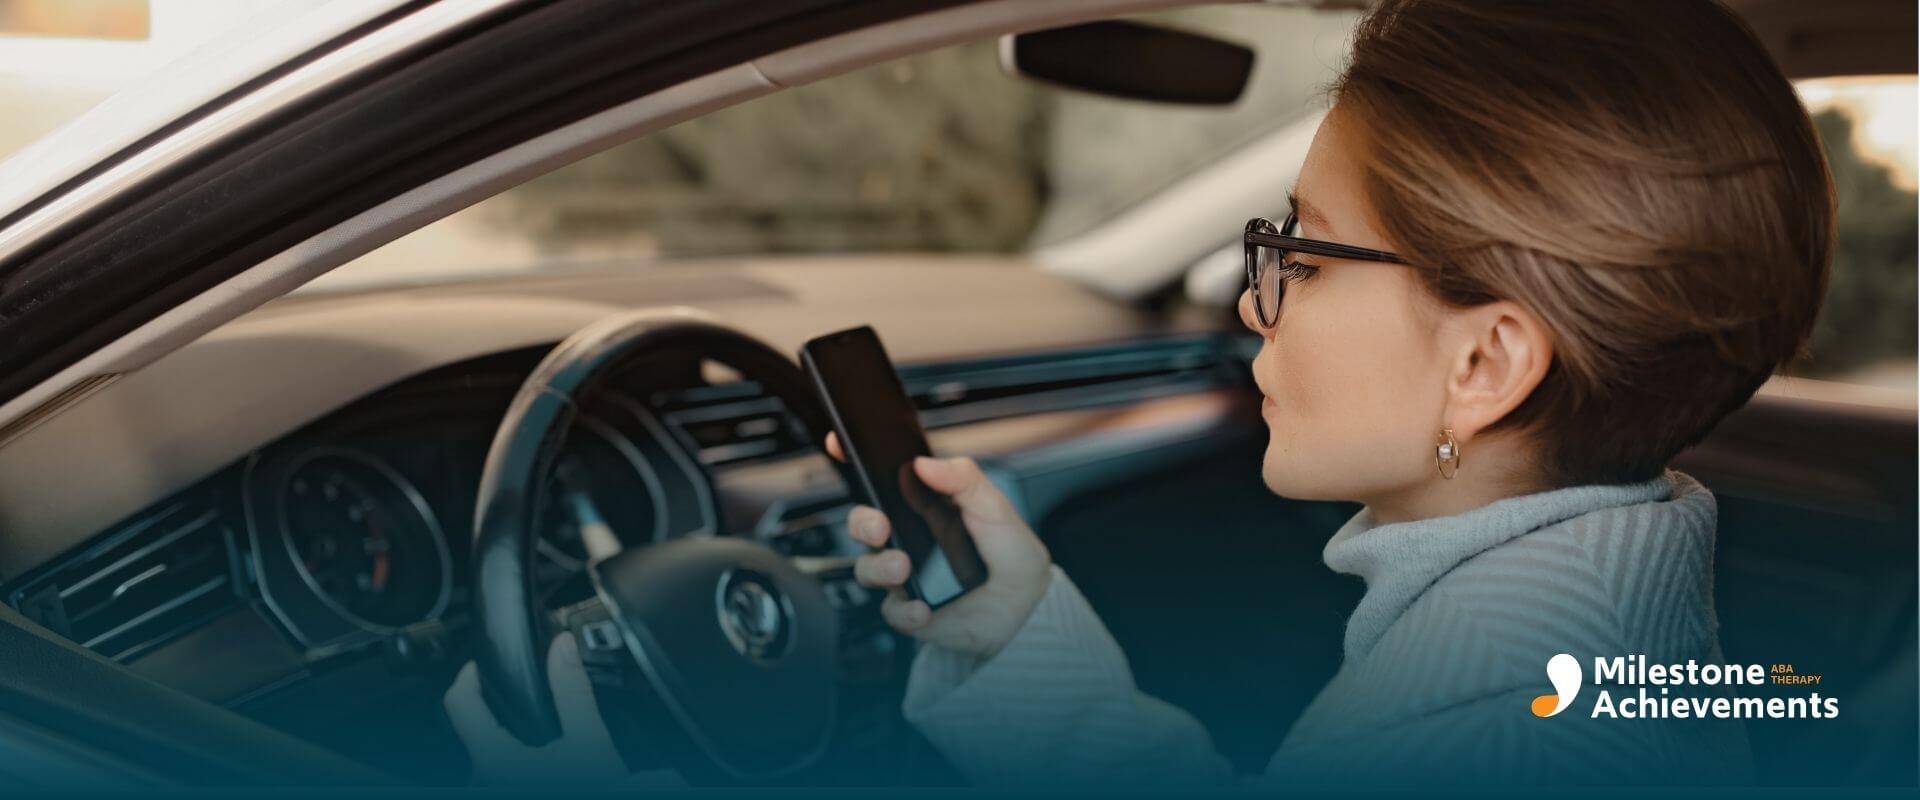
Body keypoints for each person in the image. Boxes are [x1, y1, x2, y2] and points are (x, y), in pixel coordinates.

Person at [446, 0, 1832, 788]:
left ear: (1484, 365)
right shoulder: (1589, 625)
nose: (1253, 301)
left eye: (1301, 255)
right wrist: (1013, 634)